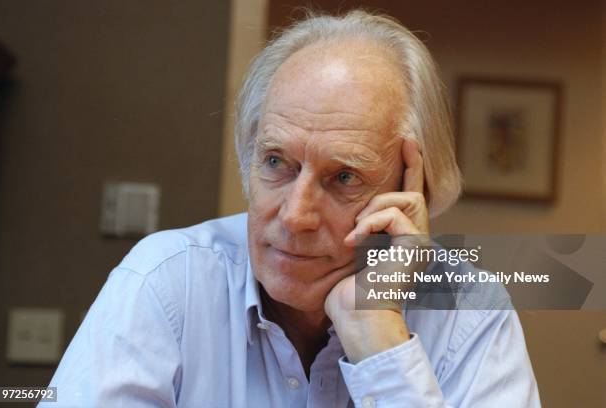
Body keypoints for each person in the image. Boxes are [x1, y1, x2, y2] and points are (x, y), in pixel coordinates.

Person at [42, 10, 540, 407]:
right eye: (277, 162)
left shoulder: (469, 312)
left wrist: (380, 337)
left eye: (344, 177)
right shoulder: (167, 281)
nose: (296, 214)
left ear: (414, 192)